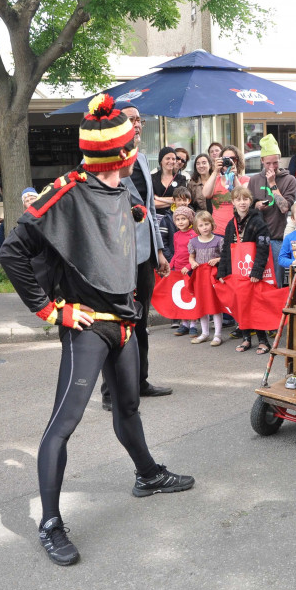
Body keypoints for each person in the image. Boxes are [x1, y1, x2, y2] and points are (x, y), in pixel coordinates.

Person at [0, 95, 194, 566]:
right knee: (63, 424)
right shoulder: (65, 191)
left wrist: (139, 223)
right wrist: (51, 312)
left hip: (124, 324)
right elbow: (11, 253)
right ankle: (49, 523)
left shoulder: (122, 189)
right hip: (87, 326)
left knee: (128, 408)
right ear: (120, 156)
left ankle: (147, 475)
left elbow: (124, 221)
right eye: (130, 147)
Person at [98, 103, 173, 411]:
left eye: (140, 119)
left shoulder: (141, 158)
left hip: (144, 256)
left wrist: (159, 252)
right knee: (115, 325)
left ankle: (140, 381)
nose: (137, 123)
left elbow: (151, 212)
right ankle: (109, 393)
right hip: (117, 257)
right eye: (130, 119)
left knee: (141, 323)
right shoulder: (103, 162)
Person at [217, 185, 271, 354]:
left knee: (255, 305)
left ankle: (263, 341)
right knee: (241, 305)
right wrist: (222, 272)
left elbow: (263, 248)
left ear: (250, 201)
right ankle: (246, 339)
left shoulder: (258, 222)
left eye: (245, 199)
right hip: (236, 271)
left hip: (252, 272)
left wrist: (257, 271)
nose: (242, 202)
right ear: (233, 202)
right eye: (238, 199)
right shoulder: (230, 224)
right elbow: (226, 249)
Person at [248, 134, 296, 289]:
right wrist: (256, 205)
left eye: (275, 162)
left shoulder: (289, 180)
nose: (272, 167)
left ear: (280, 159)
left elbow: (284, 208)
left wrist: (272, 183)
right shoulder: (254, 180)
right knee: (256, 282)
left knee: (275, 282)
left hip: (277, 239)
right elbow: (247, 207)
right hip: (256, 239)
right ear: (262, 161)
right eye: (268, 163)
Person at [188, 211, 225, 346]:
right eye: (201, 225)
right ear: (197, 228)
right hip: (200, 278)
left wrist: (217, 259)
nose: (205, 227)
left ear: (212, 224)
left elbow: (226, 256)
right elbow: (191, 256)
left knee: (215, 304)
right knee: (202, 305)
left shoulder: (219, 240)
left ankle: (218, 334)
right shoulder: (193, 242)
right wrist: (192, 263)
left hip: (212, 277)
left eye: (207, 224)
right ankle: (204, 333)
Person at [203, 145, 249, 236]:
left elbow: (243, 197)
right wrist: (215, 171)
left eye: (232, 159)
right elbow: (206, 194)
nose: (229, 161)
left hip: (238, 232)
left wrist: (234, 176)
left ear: (237, 161)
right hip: (217, 231)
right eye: (225, 159)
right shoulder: (215, 180)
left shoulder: (245, 180)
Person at [171, 206, 198, 336]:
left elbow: (196, 254)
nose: (180, 222)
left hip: (190, 269)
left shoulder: (194, 235)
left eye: (183, 219)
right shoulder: (176, 235)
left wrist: (188, 266)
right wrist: (170, 265)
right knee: (181, 296)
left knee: (191, 296)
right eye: (178, 219)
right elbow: (176, 252)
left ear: (190, 220)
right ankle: (184, 323)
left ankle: (193, 324)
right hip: (177, 270)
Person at [0, 186, 38, 251]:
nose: (30, 202)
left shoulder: (47, 212)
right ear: (24, 205)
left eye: (32, 198)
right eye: (27, 201)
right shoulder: (24, 220)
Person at [151, 146, 187, 215]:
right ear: (161, 161)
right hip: (156, 218)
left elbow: (182, 200)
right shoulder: (152, 178)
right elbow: (151, 203)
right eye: (168, 158)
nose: (171, 161)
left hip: (176, 219)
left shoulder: (181, 178)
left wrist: (158, 198)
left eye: (173, 159)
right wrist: (174, 201)